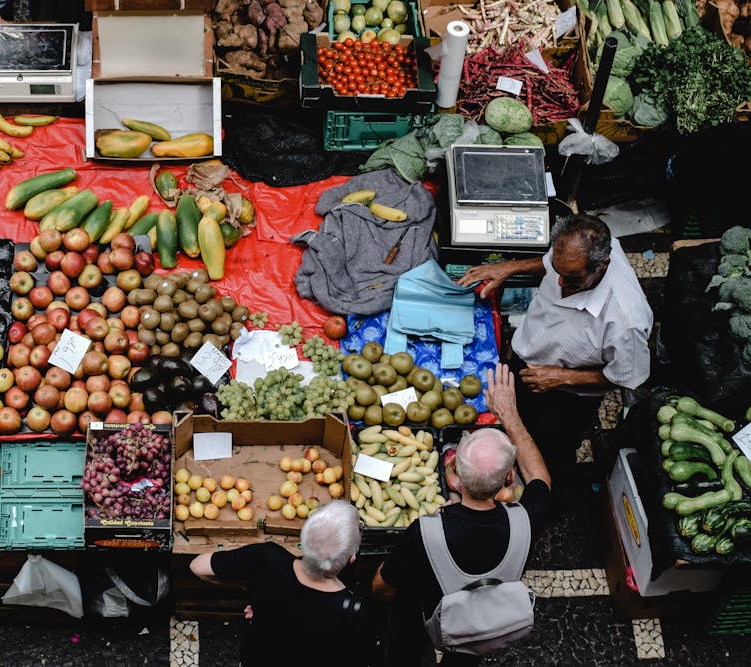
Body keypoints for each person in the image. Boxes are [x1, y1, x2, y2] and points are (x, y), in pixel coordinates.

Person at [457, 214, 653, 502]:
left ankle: (547, 506)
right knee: (509, 424)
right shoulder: (570, 257)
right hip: (528, 361)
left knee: (551, 452)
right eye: (558, 271)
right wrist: (510, 267)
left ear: (603, 266)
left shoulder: (626, 320)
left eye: (572, 278)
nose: (560, 282)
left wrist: (562, 377)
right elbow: (549, 265)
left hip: (567, 397)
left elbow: (629, 375)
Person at [372, 363, 550, 666]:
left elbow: (382, 588)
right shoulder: (527, 520)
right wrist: (510, 416)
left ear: (455, 477)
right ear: (509, 479)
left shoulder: (427, 531)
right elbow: (540, 478)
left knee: (406, 650)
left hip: (427, 619)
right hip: (480, 627)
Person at [189, 500, 374, 666]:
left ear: (304, 538)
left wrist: (252, 591)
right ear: (351, 558)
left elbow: (198, 566)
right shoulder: (354, 611)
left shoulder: (267, 558)